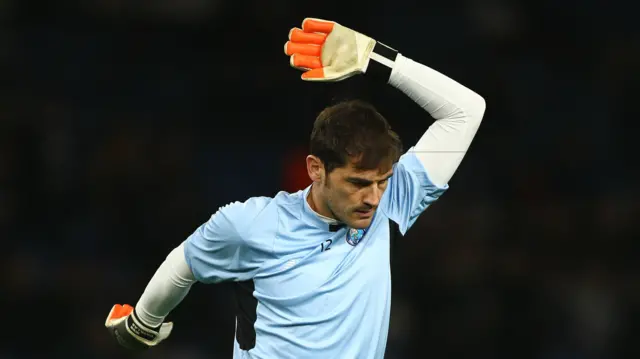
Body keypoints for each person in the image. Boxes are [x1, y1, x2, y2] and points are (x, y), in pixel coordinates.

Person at [105, 17, 486, 359]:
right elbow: (184, 263)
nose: (372, 197)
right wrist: (144, 323)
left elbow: (467, 110)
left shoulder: (391, 201)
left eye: (381, 182)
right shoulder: (252, 224)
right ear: (316, 169)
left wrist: (374, 57)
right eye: (357, 182)